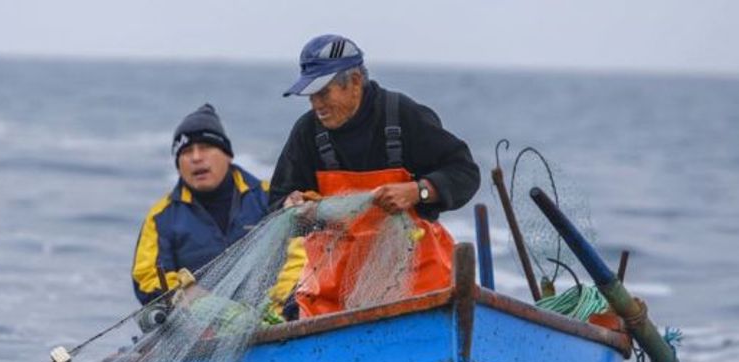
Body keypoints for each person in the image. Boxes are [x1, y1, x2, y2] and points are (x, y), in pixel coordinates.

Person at [270, 34, 480, 318]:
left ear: (355, 81)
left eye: (324, 93)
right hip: (333, 297)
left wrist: (419, 191)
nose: (316, 105)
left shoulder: (402, 115)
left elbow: (464, 171)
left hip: (418, 287)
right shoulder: (307, 132)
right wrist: (291, 206)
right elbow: (277, 201)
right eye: (311, 95)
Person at [132, 104, 270, 305]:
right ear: (178, 165)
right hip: (194, 319)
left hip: (272, 312)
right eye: (187, 151)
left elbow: (298, 256)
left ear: (227, 154)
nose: (196, 157)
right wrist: (183, 292)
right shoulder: (161, 216)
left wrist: (277, 303)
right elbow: (146, 277)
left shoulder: (269, 197)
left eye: (205, 147)